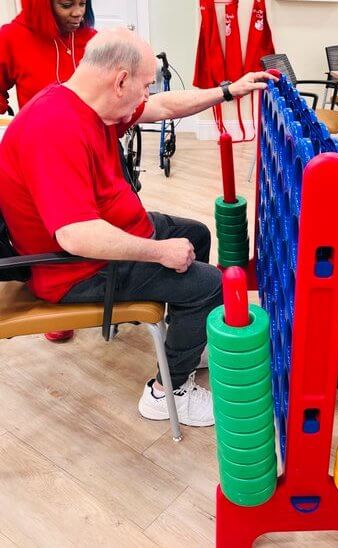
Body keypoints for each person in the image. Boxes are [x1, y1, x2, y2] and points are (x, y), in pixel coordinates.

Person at [0, 28, 277, 426]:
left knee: (196, 233)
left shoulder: (85, 102)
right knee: (208, 286)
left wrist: (228, 91)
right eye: (145, 84)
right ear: (120, 81)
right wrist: (159, 252)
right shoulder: (55, 129)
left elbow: (164, 107)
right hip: (76, 269)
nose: (148, 93)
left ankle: (184, 336)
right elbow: (74, 234)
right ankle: (168, 393)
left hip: (110, 233)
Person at [0, 0, 96, 342]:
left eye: (82, 2)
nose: (77, 12)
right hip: (42, 159)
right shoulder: (12, 38)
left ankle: (113, 289)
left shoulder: (91, 41)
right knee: (51, 229)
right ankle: (58, 297)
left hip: (93, 153)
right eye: (66, 4)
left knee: (101, 222)